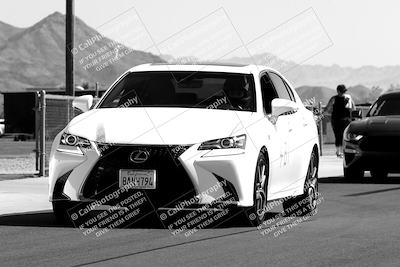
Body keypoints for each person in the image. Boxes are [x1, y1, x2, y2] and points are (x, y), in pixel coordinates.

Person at [325, 84, 356, 157]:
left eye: (343, 91)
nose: (343, 93)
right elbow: (328, 107)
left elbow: (353, 107)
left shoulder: (346, 98)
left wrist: (353, 116)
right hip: (337, 120)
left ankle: (342, 151)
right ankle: (338, 151)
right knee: (338, 135)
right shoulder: (335, 98)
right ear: (338, 91)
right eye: (342, 91)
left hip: (344, 120)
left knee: (343, 135)